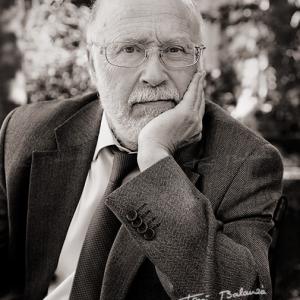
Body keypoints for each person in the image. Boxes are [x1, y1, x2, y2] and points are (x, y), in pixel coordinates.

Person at [0, 0, 283, 299]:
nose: (154, 74)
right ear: (92, 65)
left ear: (199, 64)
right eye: (130, 49)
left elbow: (242, 295)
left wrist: (156, 158)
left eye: (175, 50)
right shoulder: (25, 132)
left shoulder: (246, 163)